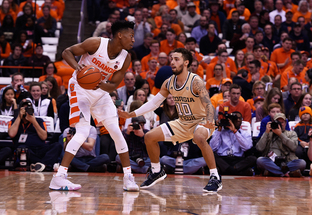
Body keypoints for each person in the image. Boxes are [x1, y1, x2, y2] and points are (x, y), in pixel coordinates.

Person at [49, 21, 139, 191]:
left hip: (100, 92)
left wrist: (101, 85)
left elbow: (113, 85)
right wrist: (78, 67)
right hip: (79, 89)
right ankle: (59, 177)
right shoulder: (96, 43)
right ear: (120, 35)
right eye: (131, 36)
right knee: (83, 131)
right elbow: (66, 52)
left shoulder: (125, 58)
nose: (133, 40)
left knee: (116, 131)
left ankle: (128, 178)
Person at [119, 48, 222, 193]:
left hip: (202, 121)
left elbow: (208, 104)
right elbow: (153, 103)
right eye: (171, 59)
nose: (172, 62)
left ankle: (215, 177)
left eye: (176, 59)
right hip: (183, 122)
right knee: (149, 137)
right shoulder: (169, 83)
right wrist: (130, 114)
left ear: (186, 63)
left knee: (199, 137)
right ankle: (156, 171)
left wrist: (210, 120)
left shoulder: (195, 81)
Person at [8, 100, 62, 172]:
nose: (26, 111)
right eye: (24, 109)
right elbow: (11, 134)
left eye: (28, 109)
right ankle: (45, 165)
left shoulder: (39, 120)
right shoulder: (14, 121)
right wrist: (19, 117)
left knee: (57, 145)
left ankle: (41, 165)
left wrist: (33, 121)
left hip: (40, 149)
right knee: (22, 148)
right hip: (26, 151)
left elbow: (44, 137)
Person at [256, 113, 306, 177]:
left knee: (302, 163)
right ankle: (286, 173)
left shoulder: (291, 133)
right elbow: (259, 148)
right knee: (260, 160)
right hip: (272, 162)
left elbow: (294, 147)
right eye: (278, 122)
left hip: (288, 162)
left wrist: (280, 134)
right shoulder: (268, 134)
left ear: (285, 123)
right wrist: (266, 132)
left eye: (282, 122)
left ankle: (273, 172)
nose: (280, 124)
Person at [210, 111, 256, 176]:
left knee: (252, 158)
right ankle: (239, 172)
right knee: (211, 156)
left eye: (240, 118)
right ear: (230, 120)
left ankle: (226, 171)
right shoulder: (219, 132)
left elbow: (247, 148)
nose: (238, 120)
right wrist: (219, 130)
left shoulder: (245, 133)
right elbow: (212, 148)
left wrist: (235, 132)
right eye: (236, 118)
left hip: (238, 160)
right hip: (223, 159)